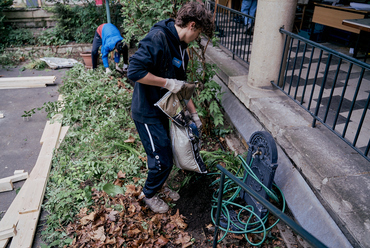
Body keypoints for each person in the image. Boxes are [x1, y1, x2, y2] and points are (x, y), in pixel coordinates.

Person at [127, 1, 214, 213]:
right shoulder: (158, 38)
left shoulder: (181, 48)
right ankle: (149, 194)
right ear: (192, 25)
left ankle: (161, 186)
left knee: (166, 151)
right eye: (199, 33)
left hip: (163, 110)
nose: (197, 39)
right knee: (162, 158)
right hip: (146, 111)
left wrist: (194, 115)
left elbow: (182, 87)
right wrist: (166, 82)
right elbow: (134, 71)